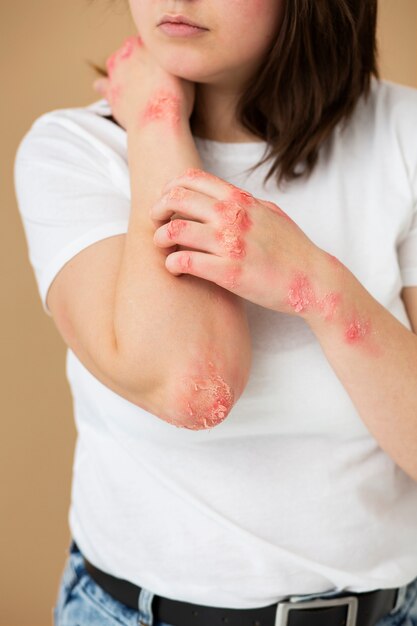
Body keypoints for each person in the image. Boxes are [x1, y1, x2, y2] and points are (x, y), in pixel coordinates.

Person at [13, 0, 417, 625]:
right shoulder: (74, 150)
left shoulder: (403, 135)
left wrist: (316, 285)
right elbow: (193, 386)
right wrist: (157, 122)